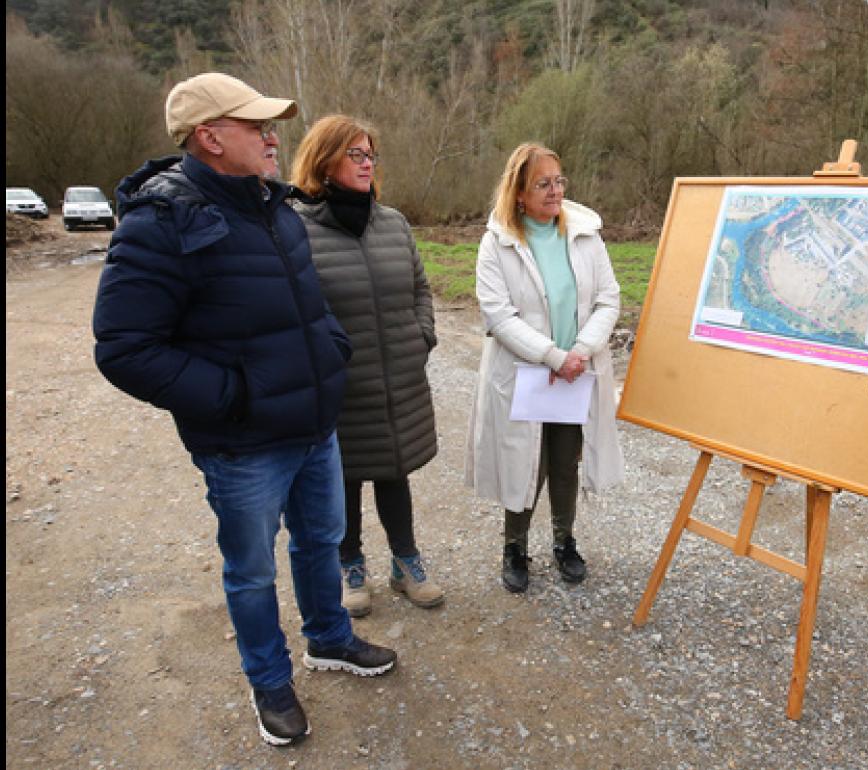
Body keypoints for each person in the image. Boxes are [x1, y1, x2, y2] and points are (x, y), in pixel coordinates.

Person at [92, 73, 398, 748]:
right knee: (252, 569)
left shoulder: (274, 204)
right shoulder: (161, 221)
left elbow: (305, 302)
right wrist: (233, 396)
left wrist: (330, 350)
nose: (271, 137)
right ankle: (269, 679)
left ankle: (329, 638)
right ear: (210, 137)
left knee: (321, 541)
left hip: (315, 424)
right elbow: (123, 348)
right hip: (242, 444)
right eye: (256, 126)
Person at [289, 115, 444, 616]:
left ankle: (406, 562)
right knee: (345, 476)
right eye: (355, 154)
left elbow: (421, 290)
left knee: (394, 469)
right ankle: (350, 564)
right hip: (342, 384)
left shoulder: (393, 222)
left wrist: (422, 336)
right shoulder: (296, 229)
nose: (366, 163)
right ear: (324, 161)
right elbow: (296, 309)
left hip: (400, 377)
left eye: (370, 155)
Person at [467, 142, 624, 593]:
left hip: (576, 371)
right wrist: (553, 356)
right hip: (528, 374)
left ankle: (564, 541)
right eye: (543, 183)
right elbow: (498, 315)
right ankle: (514, 547)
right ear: (518, 192)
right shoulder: (497, 242)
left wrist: (581, 350)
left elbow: (608, 298)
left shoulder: (585, 235)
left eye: (559, 181)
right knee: (525, 462)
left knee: (564, 460)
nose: (555, 191)